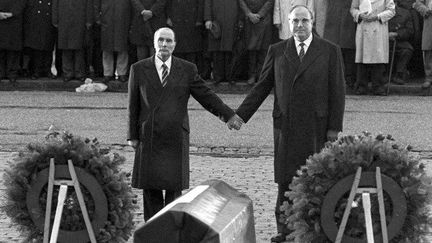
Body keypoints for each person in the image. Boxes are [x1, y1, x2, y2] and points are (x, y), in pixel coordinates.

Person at [231, 5, 345, 242]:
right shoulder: (278, 50)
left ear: (312, 22)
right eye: (295, 21)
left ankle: (315, 231)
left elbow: (338, 91)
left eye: (304, 20)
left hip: (317, 126)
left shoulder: (329, 51)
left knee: (316, 180)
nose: (300, 25)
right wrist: (240, 115)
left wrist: (334, 128)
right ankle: (284, 232)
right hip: (286, 127)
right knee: (286, 181)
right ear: (288, 23)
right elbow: (262, 86)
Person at [127, 27, 243, 221]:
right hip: (149, 136)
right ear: (154, 43)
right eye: (161, 40)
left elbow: (206, 96)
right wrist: (132, 135)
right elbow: (133, 105)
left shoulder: (187, 69)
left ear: (175, 44)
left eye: (169, 41)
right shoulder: (138, 68)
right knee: (151, 191)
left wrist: (229, 116)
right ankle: (153, 233)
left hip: (175, 136)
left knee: (174, 191)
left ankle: (172, 233)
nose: (164, 44)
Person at [350, 0, 395, 95]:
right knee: (362, 57)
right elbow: (353, 9)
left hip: (378, 27)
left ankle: (378, 86)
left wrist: (377, 16)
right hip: (363, 26)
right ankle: (362, 86)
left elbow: (391, 10)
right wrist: (360, 15)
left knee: (377, 57)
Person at [52, 0, 93, 82]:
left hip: (80, 21)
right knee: (66, 49)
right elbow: (55, 5)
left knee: (79, 49)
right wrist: (55, 20)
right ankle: (68, 73)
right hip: (64, 21)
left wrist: (89, 20)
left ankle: (79, 73)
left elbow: (89, 5)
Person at [321, 0, 357, 88]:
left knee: (349, 50)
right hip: (334, 16)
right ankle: (332, 80)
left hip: (349, 16)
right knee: (332, 50)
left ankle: (349, 79)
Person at [95, 0, 131, 83]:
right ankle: (107, 74)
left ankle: (122, 73)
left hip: (123, 21)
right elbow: (96, 4)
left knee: (123, 49)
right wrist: (97, 19)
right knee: (107, 49)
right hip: (106, 21)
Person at [239, 0, 274, 85]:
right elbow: (241, 1)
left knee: (264, 49)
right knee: (251, 49)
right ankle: (252, 75)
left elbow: (270, 1)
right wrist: (249, 14)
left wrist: (260, 15)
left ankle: (261, 76)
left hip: (264, 20)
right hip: (249, 20)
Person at [204, 0, 239, 84]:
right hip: (216, 21)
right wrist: (208, 19)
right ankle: (218, 76)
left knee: (230, 49)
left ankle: (230, 76)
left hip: (231, 20)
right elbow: (208, 3)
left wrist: (240, 19)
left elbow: (240, 3)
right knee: (217, 50)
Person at [22, 0, 56, 80]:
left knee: (48, 47)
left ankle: (47, 70)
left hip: (49, 23)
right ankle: (36, 71)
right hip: (35, 23)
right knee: (37, 49)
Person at [166, 0, 204, 69]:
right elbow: (168, 3)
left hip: (192, 19)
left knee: (191, 50)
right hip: (176, 19)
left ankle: (191, 72)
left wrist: (199, 19)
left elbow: (201, 4)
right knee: (178, 49)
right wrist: (168, 17)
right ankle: (179, 72)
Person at [388, 0, 414, 85]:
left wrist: (397, 34)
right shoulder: (380, 12)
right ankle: (383, 74)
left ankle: (399, 74)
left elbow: (410, 30)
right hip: (382, 40)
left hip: (399, 40)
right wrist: (386, 35)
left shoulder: (405, 13)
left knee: (407, 49)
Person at [0, 0, 26, 84]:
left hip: (15, 21)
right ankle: (1, 73)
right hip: (1, 21)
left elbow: (22, 2)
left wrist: (13, 13)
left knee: (13, 50)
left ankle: (12, 74)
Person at [413, 0, 432, 89]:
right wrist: (425, 10)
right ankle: (429, 78)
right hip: (430, 20)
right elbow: (418, 3)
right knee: (428, 50)